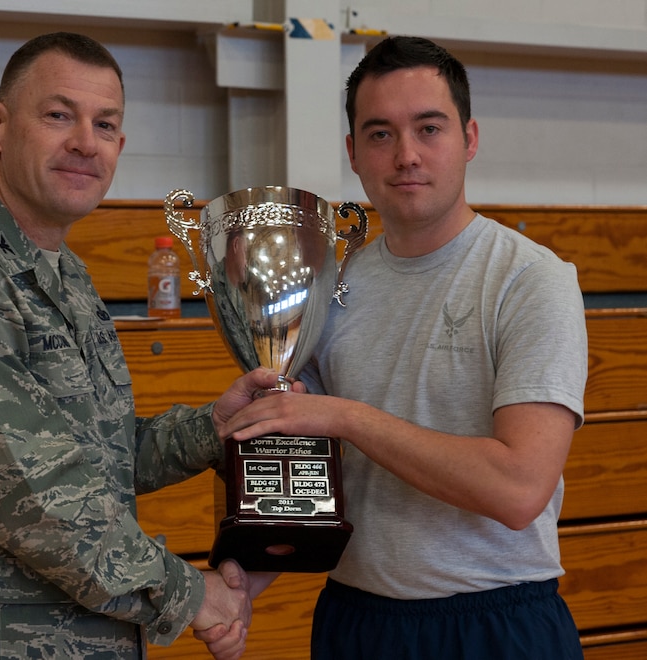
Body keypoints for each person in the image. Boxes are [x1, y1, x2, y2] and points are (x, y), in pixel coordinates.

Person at [0, 31, 276, 660]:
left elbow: (94, 457)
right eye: (59, 115)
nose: (85, 141)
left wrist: (212, 430)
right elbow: (32, 492)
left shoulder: (67, 276)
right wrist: (194, 596)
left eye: (105, 124)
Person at [216, 36, 588, 659]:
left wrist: (347, 417)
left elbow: (519, 489)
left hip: (494, 624)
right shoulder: (328, 290)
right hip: (356, 622)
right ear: (354, 155)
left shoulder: (531, 279)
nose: (407, 155)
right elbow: (309, 479)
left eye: (429, 128)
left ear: (469, 139)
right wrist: (238, 587)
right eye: (381, 134)